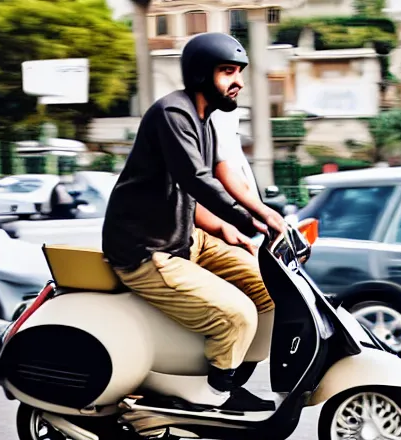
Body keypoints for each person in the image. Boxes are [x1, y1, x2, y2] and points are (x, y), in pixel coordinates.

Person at [102, 32, 288, 412]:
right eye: (226, 72)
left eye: (238, 72)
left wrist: (224, 229)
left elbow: (181, 194)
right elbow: (197, 181)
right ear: (202, 74)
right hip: (148, 252)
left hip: (185, 239)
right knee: (236, 313)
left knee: (271, 288)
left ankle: (230, 373)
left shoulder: (203, 119)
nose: (237, 81)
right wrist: (253, 218)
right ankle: (213, 393)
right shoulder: (174, 113)